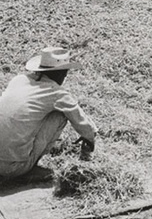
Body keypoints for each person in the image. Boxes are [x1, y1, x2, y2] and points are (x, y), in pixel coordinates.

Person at [0, 47, 97, 182]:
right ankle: (27, 168)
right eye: (65, 73)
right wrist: (89, 137)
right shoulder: (57, 93)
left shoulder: (19, 79)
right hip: (12, 167)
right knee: (60, 115)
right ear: (61, 73)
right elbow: (84, 124)